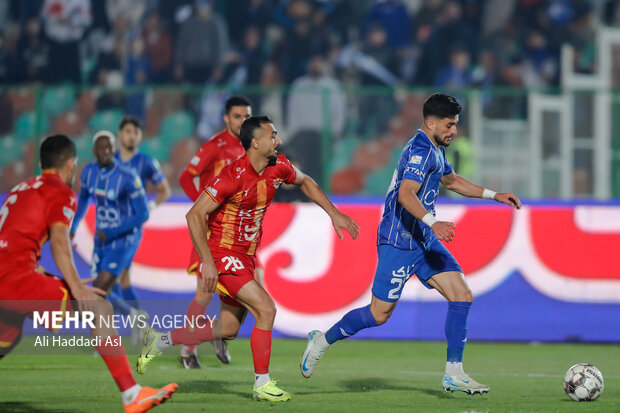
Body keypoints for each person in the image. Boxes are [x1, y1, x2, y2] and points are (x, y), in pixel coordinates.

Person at [299, 93, 521, 395]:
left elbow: (452, 182)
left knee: (461, 295)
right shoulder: (420, 149)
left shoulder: (436, 149)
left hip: (423, 240)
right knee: (378, 314)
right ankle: (321, 341)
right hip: (399, 240)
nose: (454, 130)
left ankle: (454, 373)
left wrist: (494, 195)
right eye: (449, 124)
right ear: (430, 123)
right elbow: (406, 194)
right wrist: (433, 222)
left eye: (455, 124)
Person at [136, 116, 360, 401]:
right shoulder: (232, 175)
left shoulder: (279, 166)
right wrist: (207, 261)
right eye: (273, 136)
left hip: (246, 256)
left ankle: (159, 341)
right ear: (255, 143)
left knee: (228, 329)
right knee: (266, 309)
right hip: (223, 254)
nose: (279, 141)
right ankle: (261, 384)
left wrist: (334, 214)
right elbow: (194, 214)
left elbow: (306, 182)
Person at [0, 135, 177, 412]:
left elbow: (13, 251)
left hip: (10, 277)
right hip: (15, 280)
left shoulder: (19, 190)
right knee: (99, 307)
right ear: (71, 163)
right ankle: (132, 395)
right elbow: (60, 242)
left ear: (40, 164)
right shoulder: (60, 191)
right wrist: (75, 286)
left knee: (7, 339)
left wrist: (58, 280)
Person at [177, 96, 251, 369]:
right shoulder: (215, 146)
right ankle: (187, 349)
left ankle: (217, 331)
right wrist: (203, 205)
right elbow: (186, 177)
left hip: (238, 233)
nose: (242, 121)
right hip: (212, 230)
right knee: (205, 292)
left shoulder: (252, 147)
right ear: (226, 119)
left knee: (241, 294)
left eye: (246, 116)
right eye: (237, 116)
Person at [71, 131, 150, 337]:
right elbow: (83, 200)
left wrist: (113, 231)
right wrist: (73, 227)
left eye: (110, 148)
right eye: (102, 148)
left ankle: (123, 325)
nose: (107, 152)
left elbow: (143, 213)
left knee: (99, 288)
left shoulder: (128, 176)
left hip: (123, 240)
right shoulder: (88, 173)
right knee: (104, 291)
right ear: (94, 150)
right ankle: (122, 326)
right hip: (101, 239)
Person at [114, 116, 171, 344]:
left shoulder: (146, 162)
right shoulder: (109, 160)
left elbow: (164, 190)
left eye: (136, 132)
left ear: (140, 137)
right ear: (120, 134)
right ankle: (140, 325)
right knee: (123, 278)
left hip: (131, 227)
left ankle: (111, 334)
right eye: (128, 131)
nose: (131, 136)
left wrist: (152, 205)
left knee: (108, 277)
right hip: (110, 225)